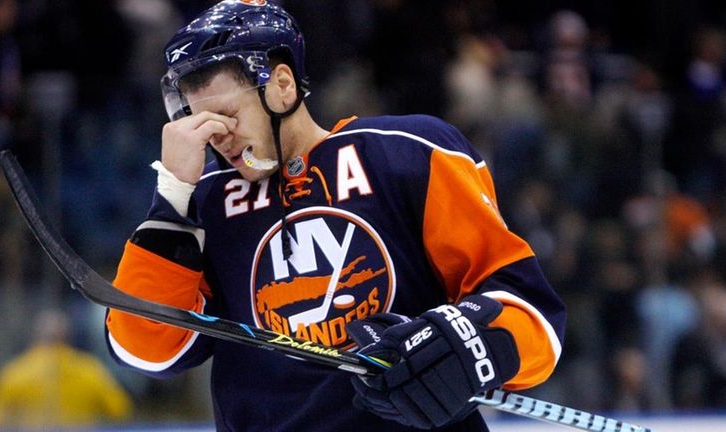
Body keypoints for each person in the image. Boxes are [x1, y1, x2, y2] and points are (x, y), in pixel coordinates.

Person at [104, 1, 566, 430]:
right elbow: (144, 349)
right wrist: (170, 201)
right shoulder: (203, 201)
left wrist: (470, 343)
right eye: (200, 123)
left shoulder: (409, 153)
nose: (217, 138)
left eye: (227, 115)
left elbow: (534, 319)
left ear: (282, 86)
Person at [0, 309, 132, 429]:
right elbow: (120, 412)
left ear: (34, 335)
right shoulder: (89, 370)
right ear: (67, 336)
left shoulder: (15, 372)